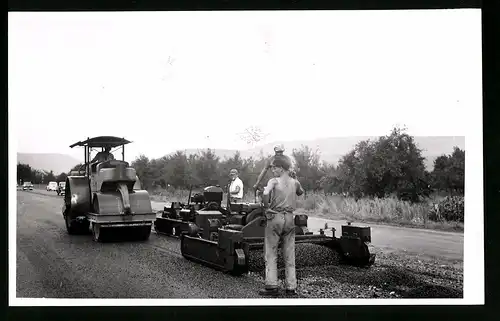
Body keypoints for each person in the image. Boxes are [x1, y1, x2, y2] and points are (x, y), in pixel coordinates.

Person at [259, 157, 304, 297]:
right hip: (290, 218)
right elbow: (301, 192)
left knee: (271, 252)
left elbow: (265, 194)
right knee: (290, 253)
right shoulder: (294, 182)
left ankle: (272, 286)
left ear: (281, 168)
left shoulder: (273, 181)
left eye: (274, 168)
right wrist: (295, 179)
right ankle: (291, 287)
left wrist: (266, 207)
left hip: (276, 217)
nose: (272, 170)